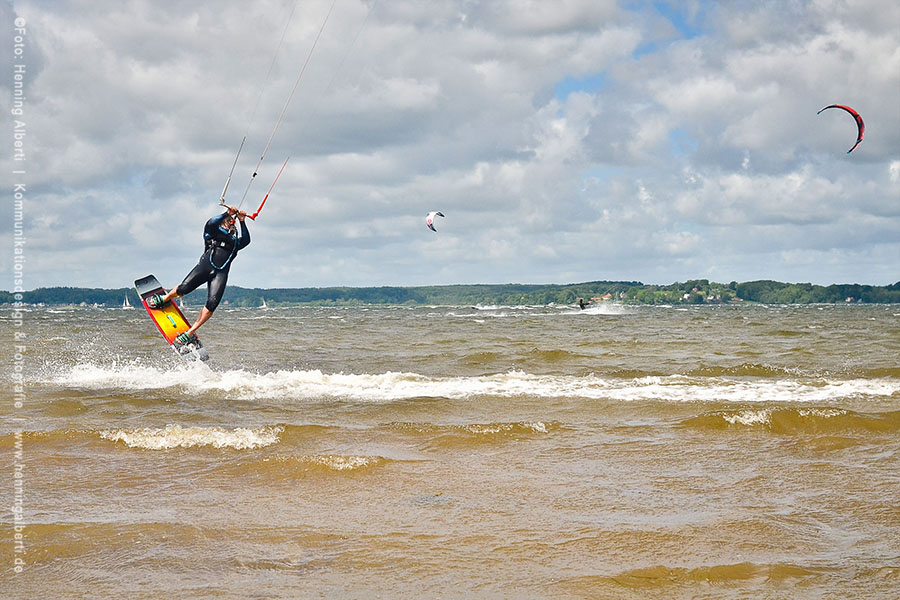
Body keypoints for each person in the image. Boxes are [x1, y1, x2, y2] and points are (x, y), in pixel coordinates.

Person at [147, 205, 250, 344]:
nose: (230, 223)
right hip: (205, 267)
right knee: (184, 289)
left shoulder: (235, 242)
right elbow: (211, 223)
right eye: (226, 221)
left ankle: (190, 332)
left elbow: (246, 240)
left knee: (212, 304)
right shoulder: (212, 232)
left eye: (232, 222)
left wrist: (242, 221)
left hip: (220, 274)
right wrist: (227, 213)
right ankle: (165, 297)